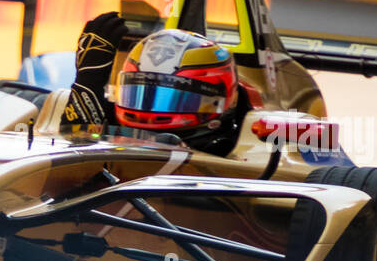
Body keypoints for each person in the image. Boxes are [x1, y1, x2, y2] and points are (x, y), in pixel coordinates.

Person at [60, 12, 247, 155]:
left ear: (216, 100)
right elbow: (73, 142)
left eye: (172, 98)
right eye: (138, 92)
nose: (148, 112)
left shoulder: (239, 153)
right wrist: (88, 83)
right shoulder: (110, 129)